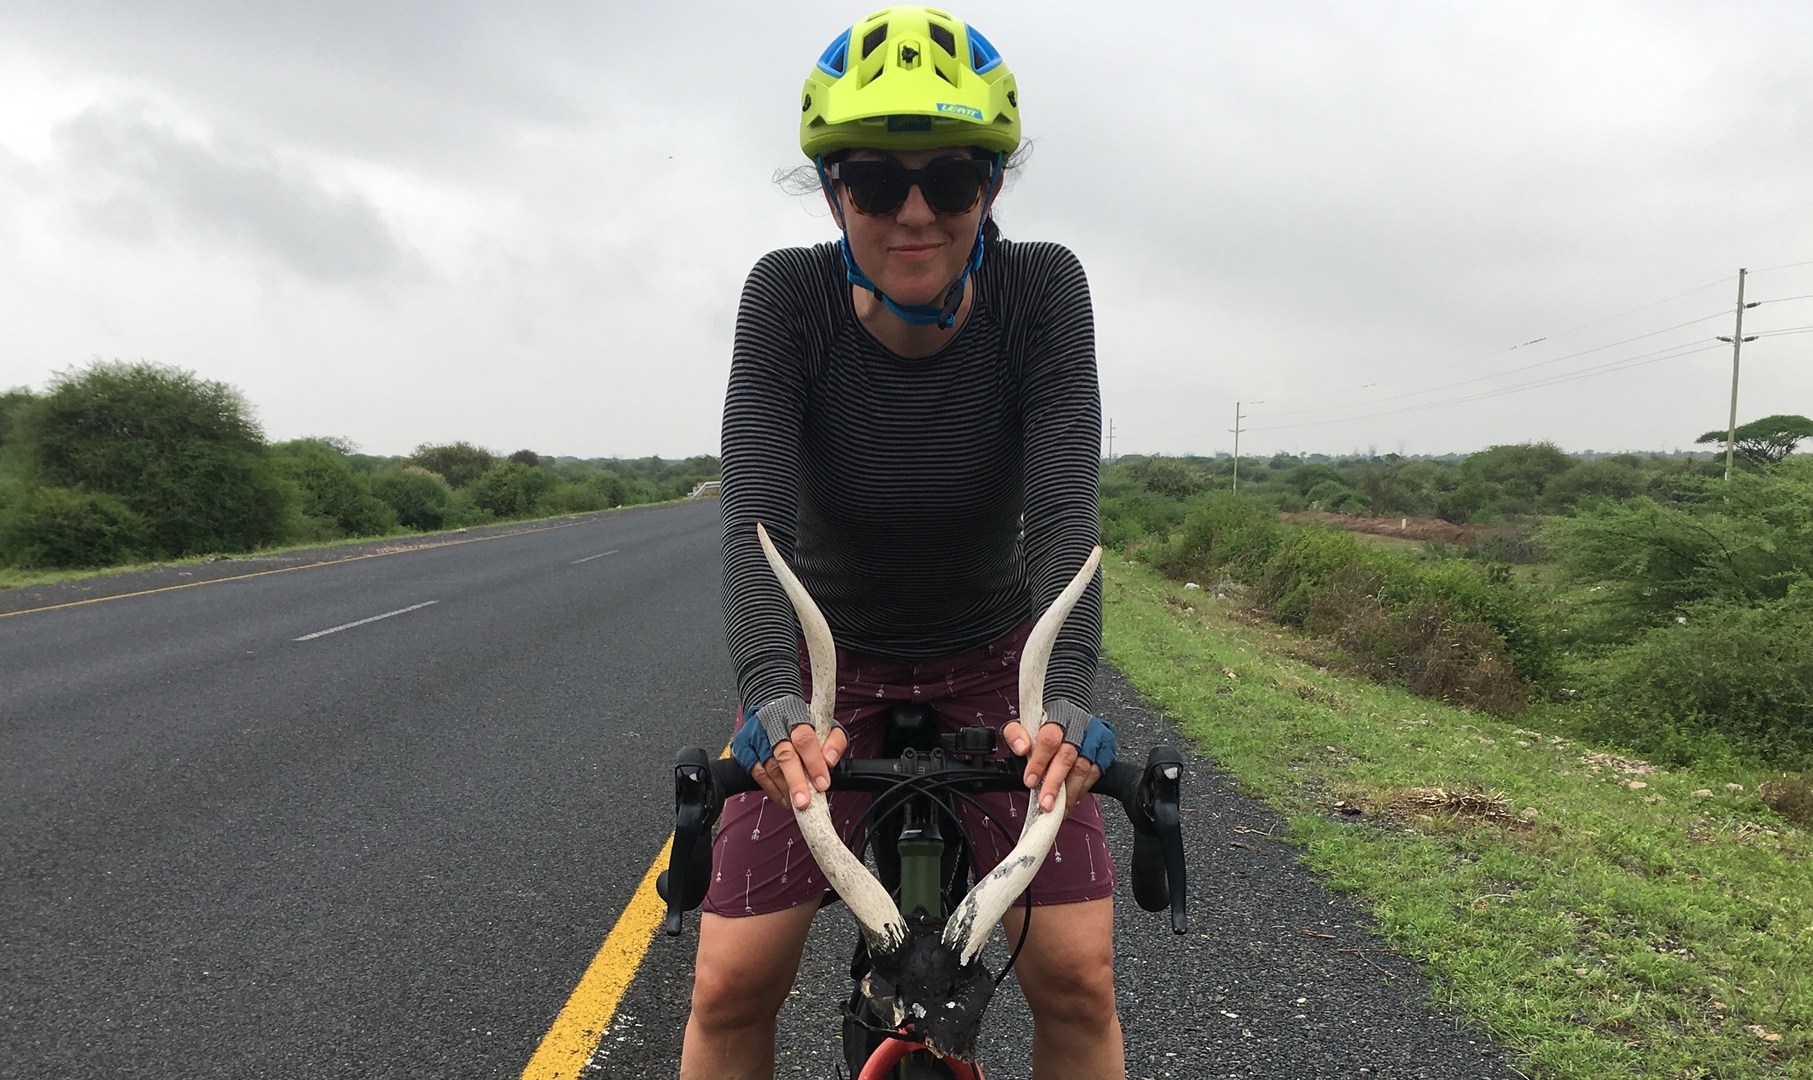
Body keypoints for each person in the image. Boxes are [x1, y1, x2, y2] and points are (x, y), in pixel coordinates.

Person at [681, 7, 1121, 1078]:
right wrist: (766, 693)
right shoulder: (786, 299)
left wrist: (1065, 695)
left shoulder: (1043, 290)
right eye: (876, 183)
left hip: (991, 657)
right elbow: (755, 527)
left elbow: (1064, 518)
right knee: (729, 984)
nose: (914, 214)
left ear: (993, 187)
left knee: (1076, 976)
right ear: (833, 195)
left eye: (954, 179)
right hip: (821, 672)